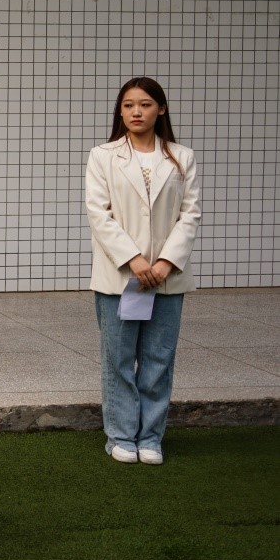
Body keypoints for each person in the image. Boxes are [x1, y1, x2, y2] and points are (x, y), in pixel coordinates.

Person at [85, 77, 201, 465]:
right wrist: (134, 260)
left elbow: (190, 215)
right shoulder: (102, 156)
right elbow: (99, 214)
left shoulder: (182, 158)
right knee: (118, 359)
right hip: (121, 278)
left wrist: (165, 262)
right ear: (120, 112)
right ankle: (121, 436)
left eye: (146, 104)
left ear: (161, 109)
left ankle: (150, 437)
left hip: (166, 278)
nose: (137, 111)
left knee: (158, 360)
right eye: (129, 105)